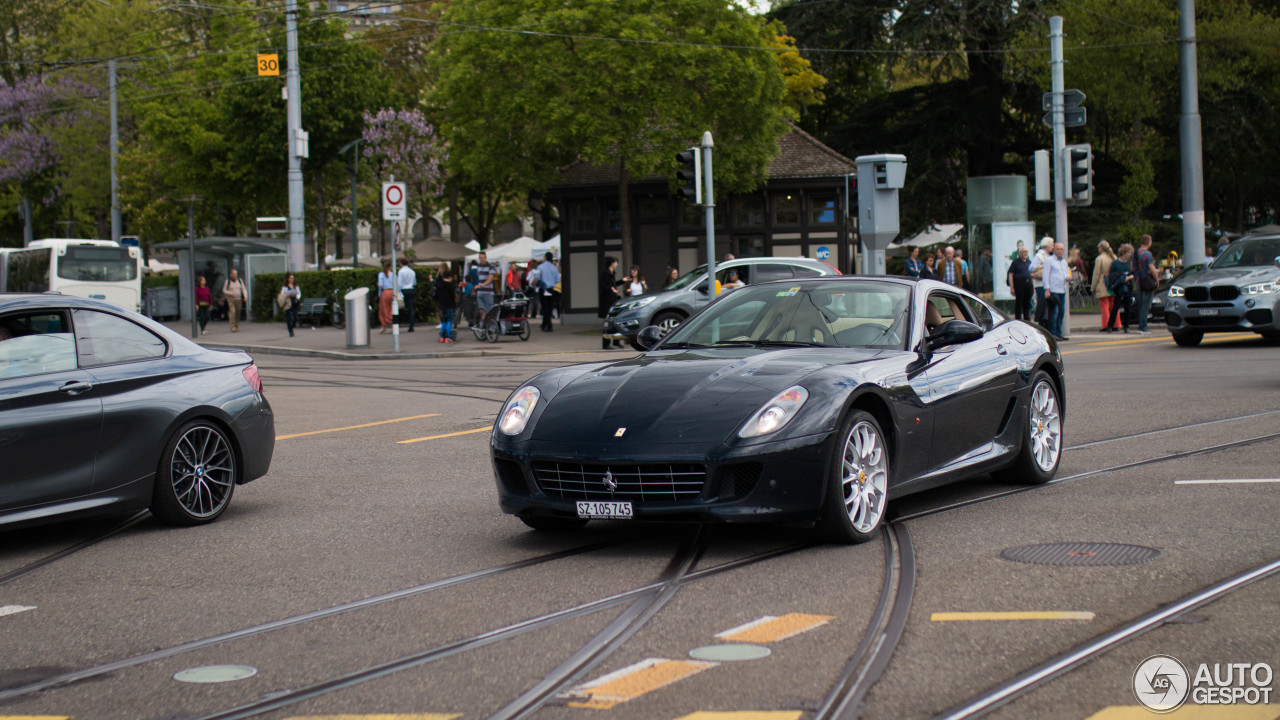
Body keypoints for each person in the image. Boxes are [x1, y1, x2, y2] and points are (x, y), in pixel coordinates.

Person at [1042, 242, 1070, 340]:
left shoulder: (1063, 261)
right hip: (1053, 289)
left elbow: (1065, 272)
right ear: (1054, 250)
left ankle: (1059, 332)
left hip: (1062, 289)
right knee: (1054, 312)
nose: (1059, 251)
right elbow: (1045, 275)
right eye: (1057, 249)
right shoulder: (1049, 260)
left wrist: (1067, 277)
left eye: (1061, 249)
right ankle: (1053, 333)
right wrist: (1047, 289)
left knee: (1061, 312)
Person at [1105, 244, 1136, 333]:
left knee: (1128, 307)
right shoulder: (1115, 263)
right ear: (1125, 252)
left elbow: (1134, 273)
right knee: (1116, 307)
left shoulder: (1130, 263)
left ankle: (1126, 326)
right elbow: (1112, 275)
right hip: (1119, 287)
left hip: (1128, 286)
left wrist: (1129, 277)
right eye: (1130, 252)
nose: (1131, 254)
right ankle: (1110, 325)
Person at [1092, 241, 1121, 332]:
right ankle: (1116, 324)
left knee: (1104, 306)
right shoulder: (1114, 257)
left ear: (1101, 248)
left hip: (1102, 283)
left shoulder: (1100, 259)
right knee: (1114, 305)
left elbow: (1096, 274)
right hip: (1113, 283)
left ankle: (1105, 325)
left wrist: (1093, 287)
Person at [1133, 234, 1159, 334]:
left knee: (1141, 303)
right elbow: (1151, 268)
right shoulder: (1147, 254)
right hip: (1147, 280)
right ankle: (1143, 326)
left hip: (1138, 280)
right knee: (1146, 304)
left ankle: (1141, 324)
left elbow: (1132, 267)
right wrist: (1157, 279)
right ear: (1148, 242)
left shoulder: (1135, 253)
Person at [1030, 237, 1054, 328]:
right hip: (1041, 285)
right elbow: (1031, 267)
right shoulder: (1040, 255)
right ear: (1047, 245)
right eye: (1052, 244)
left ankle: (1046, 326)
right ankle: (1042, 326)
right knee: (1043, 307)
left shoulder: (1048, 255)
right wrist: (1043, 266)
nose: (1053, 246)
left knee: (1046, 307)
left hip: (1046, 284)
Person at [599, 255, 622, 349]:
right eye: (616, 262)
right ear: (612, 263)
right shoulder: (606, 273)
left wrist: (622, 281)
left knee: (615, 320)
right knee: (608, 322)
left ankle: (616, 341)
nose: (617, 264)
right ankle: (606, 343)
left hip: (613, 300)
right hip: (607, 301)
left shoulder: (612, 273)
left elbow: (613, 284)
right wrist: (611, 289)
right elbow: (603, 286)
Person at [535, 252, 560, 332]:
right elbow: (557, 280)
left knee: (545, 307)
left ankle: (549, 325)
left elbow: (537, 277)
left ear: (545, 257)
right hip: (551, 289)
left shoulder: (540, 267)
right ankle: (544, 324)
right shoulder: (554, 268)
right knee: (549, 307)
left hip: (543, 288)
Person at [1007, 245, 1033, 321]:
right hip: (1019, 284)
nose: (1026, 253)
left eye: (1027, 252)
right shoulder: (1015, 262)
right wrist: (1012, 287)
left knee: (1027, 303)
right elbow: (1010, 274)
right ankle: (1018, 320)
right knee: (1019, 303)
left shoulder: (1029, 262)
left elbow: (1031, 274)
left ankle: (1027, 320)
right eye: (1024, 252)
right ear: (1020, 253)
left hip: (1028, 284)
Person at [434, 270, 458, 343]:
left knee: (444, 321)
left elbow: (436, 296)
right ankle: (448, 337)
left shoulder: (438, 285)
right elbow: (452, 296)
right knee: (449, 321)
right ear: (450, 277)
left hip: (442, 305)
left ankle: (442, 336)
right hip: (450, 305)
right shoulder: (450, 286)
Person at [220, 269, 247, 333]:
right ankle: (232, 327)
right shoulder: (228, 281)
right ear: (231, 274)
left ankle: (236, 326)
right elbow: (224, 290)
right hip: (231, 299)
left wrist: (245, 296)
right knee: (232, 312)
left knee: (238, 313)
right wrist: (229, 293)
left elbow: (243, 289)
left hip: (238, 299)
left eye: (236, 274)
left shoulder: (240, 281)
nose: (235, 275)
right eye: (234, 274)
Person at [473, 252, 498, 319]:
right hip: (480, 292)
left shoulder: (491, 266)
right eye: (481, 258)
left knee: (490, 311)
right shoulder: (478, 267)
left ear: (486, 258)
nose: (482, 259)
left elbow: (490, 279)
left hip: (488, 292)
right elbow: (478, 278)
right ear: (479, 258)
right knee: (482, 310)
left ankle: (490, 326)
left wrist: (481, 286)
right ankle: (483, 326)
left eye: (484, 258)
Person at [377, 260, 397, 334]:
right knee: (392, 309)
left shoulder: (381, 274)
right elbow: (397, 285)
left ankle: (384, 326)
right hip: (392, 292)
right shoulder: (393, 275)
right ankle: (393, 325)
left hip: (385, 292)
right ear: (390, 267)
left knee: (384, 309)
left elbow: (380, 284)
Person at [397, 258, 417, 332]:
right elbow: (414, 283)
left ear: (401, 263)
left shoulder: (401, 271)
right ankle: (411, 326)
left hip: (403, 290)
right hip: (410, 289)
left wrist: (398, 291)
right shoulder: (412, 271)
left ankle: (398, 325)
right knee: (411, 308)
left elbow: (399, 283)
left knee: (400, 308)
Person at [280, 273, 301, 337]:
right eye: (291, 278)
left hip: (294, 302)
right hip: (288, 303)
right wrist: (287, 295)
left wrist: (298, 296)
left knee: (295, 317)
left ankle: (292, 326)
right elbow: (282, 294)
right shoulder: (285, 287)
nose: (292, 279)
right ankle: (290, 331)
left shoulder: (296, 286)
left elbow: (299, 292)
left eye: (293, 278)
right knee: (288, 318)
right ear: (288, 279)